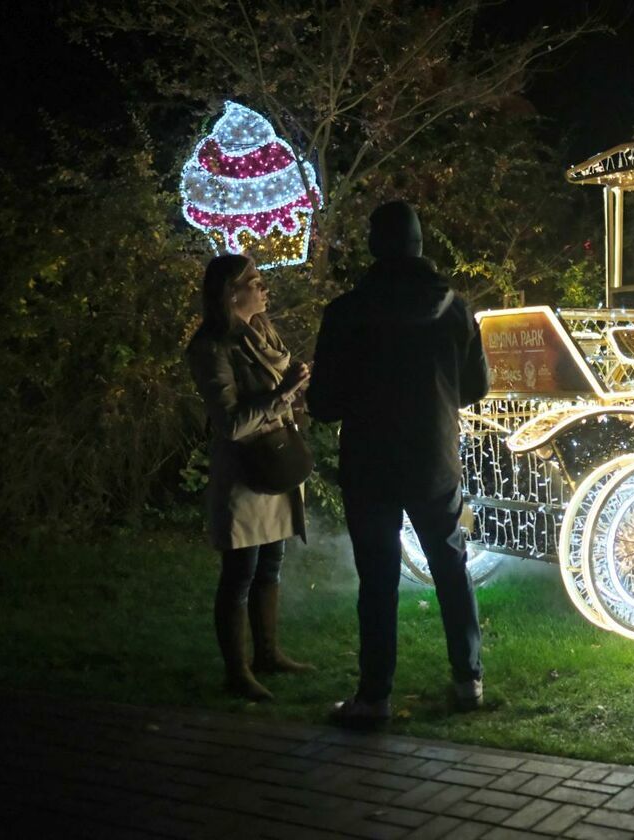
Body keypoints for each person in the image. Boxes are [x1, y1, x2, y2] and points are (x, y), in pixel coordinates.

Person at [306, 201, 489, 723]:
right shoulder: (455, 307)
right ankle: (468, 679)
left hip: (370, 461)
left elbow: (322, 404)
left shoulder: (346, 311)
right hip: (433, 456)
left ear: (374, 247)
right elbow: (476, 387)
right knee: (450, 566)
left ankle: (375, 696)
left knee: (379, 578)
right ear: (419, 245)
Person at [186, 254, 314, 701]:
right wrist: (283, 394)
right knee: (240, 570)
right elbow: (231, 423)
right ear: (230, 292)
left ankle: (268, 654)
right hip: (245, 470)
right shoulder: (211, 347)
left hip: (275, 461)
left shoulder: (263, 333)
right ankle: (236, 671)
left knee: (271, 564)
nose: (264, 289)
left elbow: (277, 387)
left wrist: (297, 389)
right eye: (254, 282)